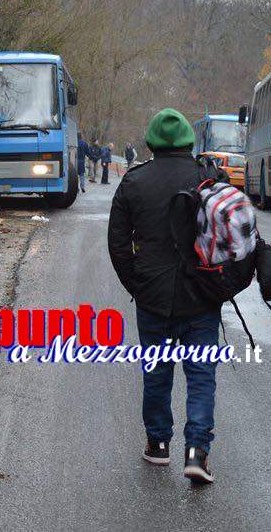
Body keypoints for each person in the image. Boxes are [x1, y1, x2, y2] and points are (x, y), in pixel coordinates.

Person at [107, 108, 226, 485]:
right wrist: (220, 286)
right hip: (202, 297)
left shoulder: (133, 182)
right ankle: (197, 453)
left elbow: (118, 245)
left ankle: (158, 445)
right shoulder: (208, 178)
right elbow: (233, 238)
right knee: (201, 375)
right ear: (190, 141)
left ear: (151, 142)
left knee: (157, 373)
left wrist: (137, 285)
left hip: (154, 297)